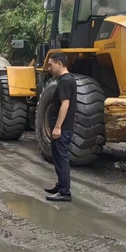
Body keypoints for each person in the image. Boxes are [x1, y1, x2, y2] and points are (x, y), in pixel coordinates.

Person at [44, 53, 77, 202]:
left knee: (61, 158)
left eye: (50, 65)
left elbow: (65, 105)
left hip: (62, 129)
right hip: (62, 128)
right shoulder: (66, 80)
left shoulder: (65, 81)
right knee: (58, 157)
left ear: (59, 63)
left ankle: (64, 192)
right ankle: (60, 185)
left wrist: (58, 127)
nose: (49, 68)